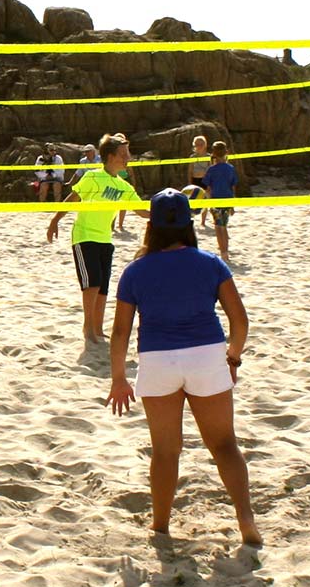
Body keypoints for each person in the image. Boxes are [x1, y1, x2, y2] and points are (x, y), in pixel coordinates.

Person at [109, 188, 260, 546]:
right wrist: (233, 357)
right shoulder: (210, 263)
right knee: (224, 445)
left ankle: (160, 526)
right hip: (207, 353)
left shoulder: (135, 271)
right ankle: (246, 521)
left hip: (158, 358)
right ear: (190, 223)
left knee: (165, 451)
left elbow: (119, 332)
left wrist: (118, 378)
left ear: (153, 226)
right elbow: (240, 321)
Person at [46, 132, 148, 343]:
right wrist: (55, 221)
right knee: (91, 284)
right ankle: (88, 329)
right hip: (84, 236)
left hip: (105, 239)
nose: (128, 157)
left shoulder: (124, 186)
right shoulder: (93, 176)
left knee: (102, 287)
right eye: (123, 154)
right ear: (110, 156)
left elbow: (142, 211)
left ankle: (98, 329)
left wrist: (171, 209)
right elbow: (72, 198)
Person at [202, 141, 238, 261]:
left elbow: (208, 188)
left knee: (218, 227)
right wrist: (232, 204)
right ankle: (225, 252)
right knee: (224, 226)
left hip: (215, 200)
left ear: (213, 154)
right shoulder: (230, 168)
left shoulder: (212, 169)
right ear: (226, 152)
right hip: (227, 200)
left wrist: (208, 200)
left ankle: (223, 253)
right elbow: (233, 187)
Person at [188, 135, 211, 226]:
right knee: (192, 201)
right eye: (197, 144)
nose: (199, 146)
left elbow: (210, 171)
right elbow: (189, 171)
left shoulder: (209, 157)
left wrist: (209, 184)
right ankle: (190, 220)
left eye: (201, 144)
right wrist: (189, 183)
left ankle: (203, 222)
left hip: (205, 181)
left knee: (205, 201)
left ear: (205, 145)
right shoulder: (192, 157)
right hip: (195, 180)